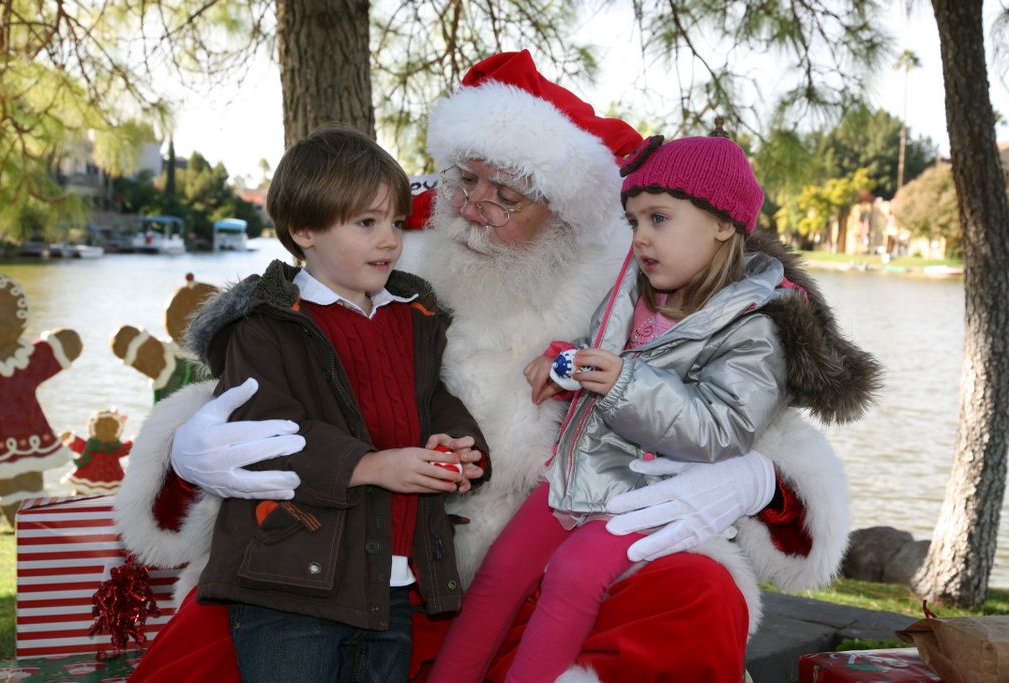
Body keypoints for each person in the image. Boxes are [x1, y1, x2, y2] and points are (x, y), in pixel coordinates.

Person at [117, 51, 879, 682]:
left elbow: (756, 406)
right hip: (378, 566)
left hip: (564, 571)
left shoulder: (636, 269)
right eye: (464, 179)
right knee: (210, 638)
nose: (473, 204)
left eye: (505, 192)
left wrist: (755, 480)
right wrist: (188, 456)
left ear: (566, 207)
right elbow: (276, 363)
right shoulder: (392, 250)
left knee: (698, 593)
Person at [430, 132, 798, 682]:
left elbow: (723, 427)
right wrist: (566, 363)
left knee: (576, 574)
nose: (642, 238)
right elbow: (600, 351)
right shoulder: (637, 289)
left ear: (723, 223)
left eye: (660, 219)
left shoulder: (753, 328)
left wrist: (622, 382)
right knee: (501, 571)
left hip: (651, 492)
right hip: (581, 469)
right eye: (634, 222)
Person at [165, 123, 491, 682]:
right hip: (289, 581)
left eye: (396, 222)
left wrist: (458, 443)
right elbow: (260, 429)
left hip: (389, 578)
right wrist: (368, 465)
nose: (389, 239)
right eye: (366, 223)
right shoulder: (267, 326)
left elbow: (431, 396)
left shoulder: (411, 316)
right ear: (304, 230)